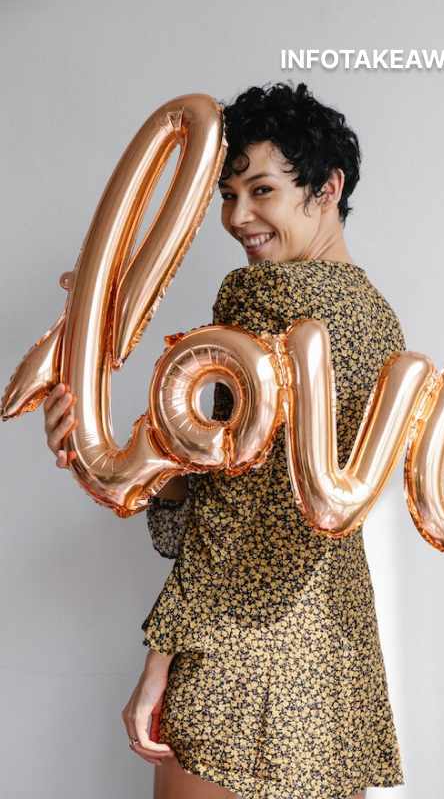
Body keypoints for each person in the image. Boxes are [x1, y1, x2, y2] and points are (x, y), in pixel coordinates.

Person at [43, 82, 406, 799]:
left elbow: (234, 520)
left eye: (263, 190)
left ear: (327, 187)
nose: (239, 218)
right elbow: (255, 490)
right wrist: (134, 466)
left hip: (239, 653)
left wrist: (163, 658)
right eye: (227, 194)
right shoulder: (380, 321)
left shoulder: (257, 300)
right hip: (333, 658)